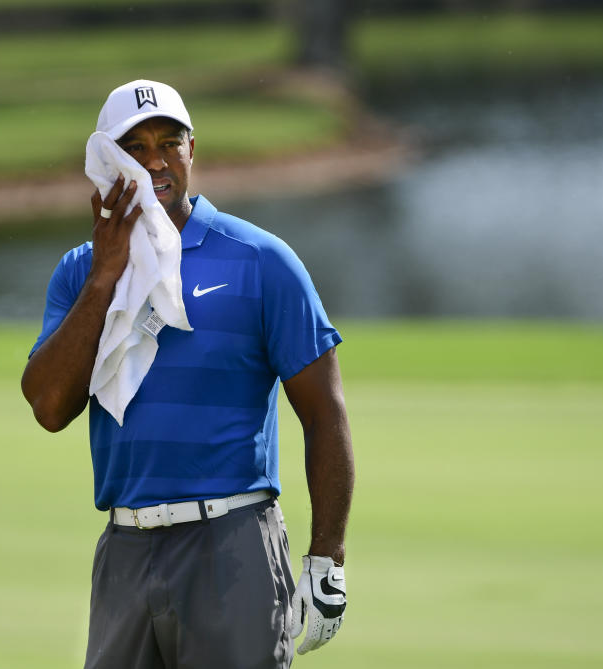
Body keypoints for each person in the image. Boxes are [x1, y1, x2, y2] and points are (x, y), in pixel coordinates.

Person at [21, 79, 354, 669]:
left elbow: (324, 414)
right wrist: (105, 278)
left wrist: (326, 559)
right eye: (137, 147)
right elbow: (49, 406)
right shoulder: (79, 273)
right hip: (125, 549)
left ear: (192, 151)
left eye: (170, 144)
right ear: (108, 158)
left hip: (232, 546)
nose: (156, 162)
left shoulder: (261, 260)